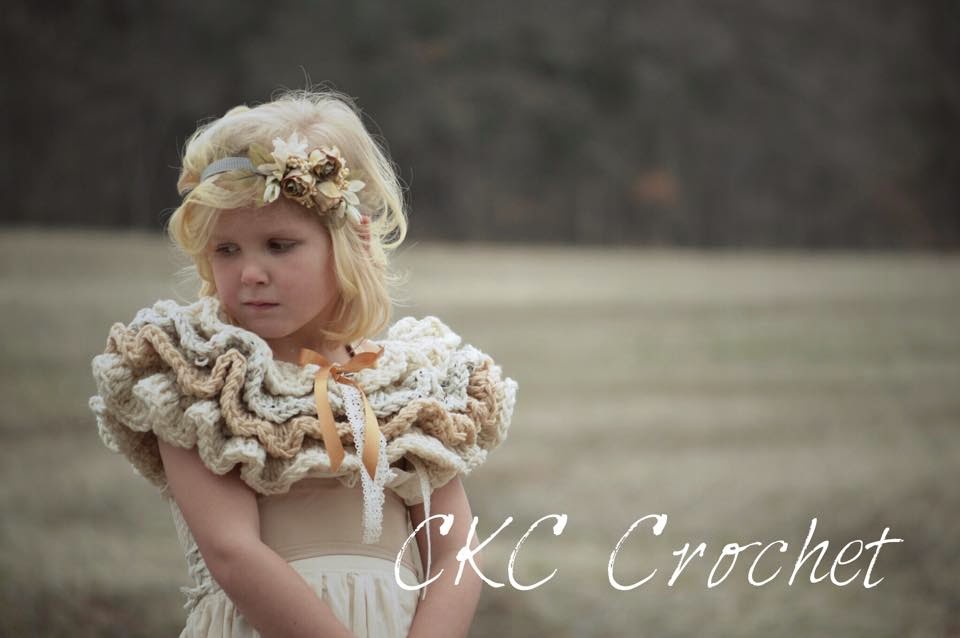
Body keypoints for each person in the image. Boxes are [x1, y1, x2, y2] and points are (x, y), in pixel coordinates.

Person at [89, 87, 518, 638]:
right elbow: (233, 552)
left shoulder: (406, 388)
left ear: (352, 242)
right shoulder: (204, 379)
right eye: (226, 249)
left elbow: (455, 549)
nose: (250, 273)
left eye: (279, 245)